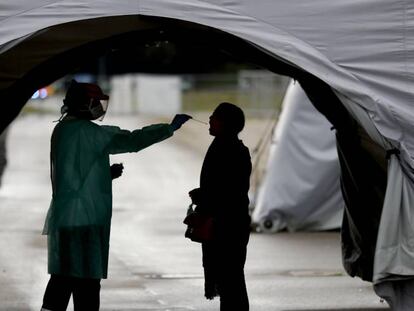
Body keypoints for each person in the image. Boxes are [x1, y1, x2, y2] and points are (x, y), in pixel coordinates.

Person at [41, 80, 190, 311]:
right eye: (94, 103)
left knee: (63, 278)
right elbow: (130, 140)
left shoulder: (62, 129)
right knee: (87, 282)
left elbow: (74, 171)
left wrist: (104, 174)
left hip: (66, 216)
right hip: (85, 219)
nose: (98, 108)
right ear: (82, 105)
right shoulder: (88, 132)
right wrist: (168, 128)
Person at [189, 102, 252, 311]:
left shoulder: (229, 150)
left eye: (214, 116)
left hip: (227, 226)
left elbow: (230, 192)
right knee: (230, 281)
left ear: (225, 123)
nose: (209, 119)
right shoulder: (228, 147)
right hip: (230, 223)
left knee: (231, 282)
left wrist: (203, 196)